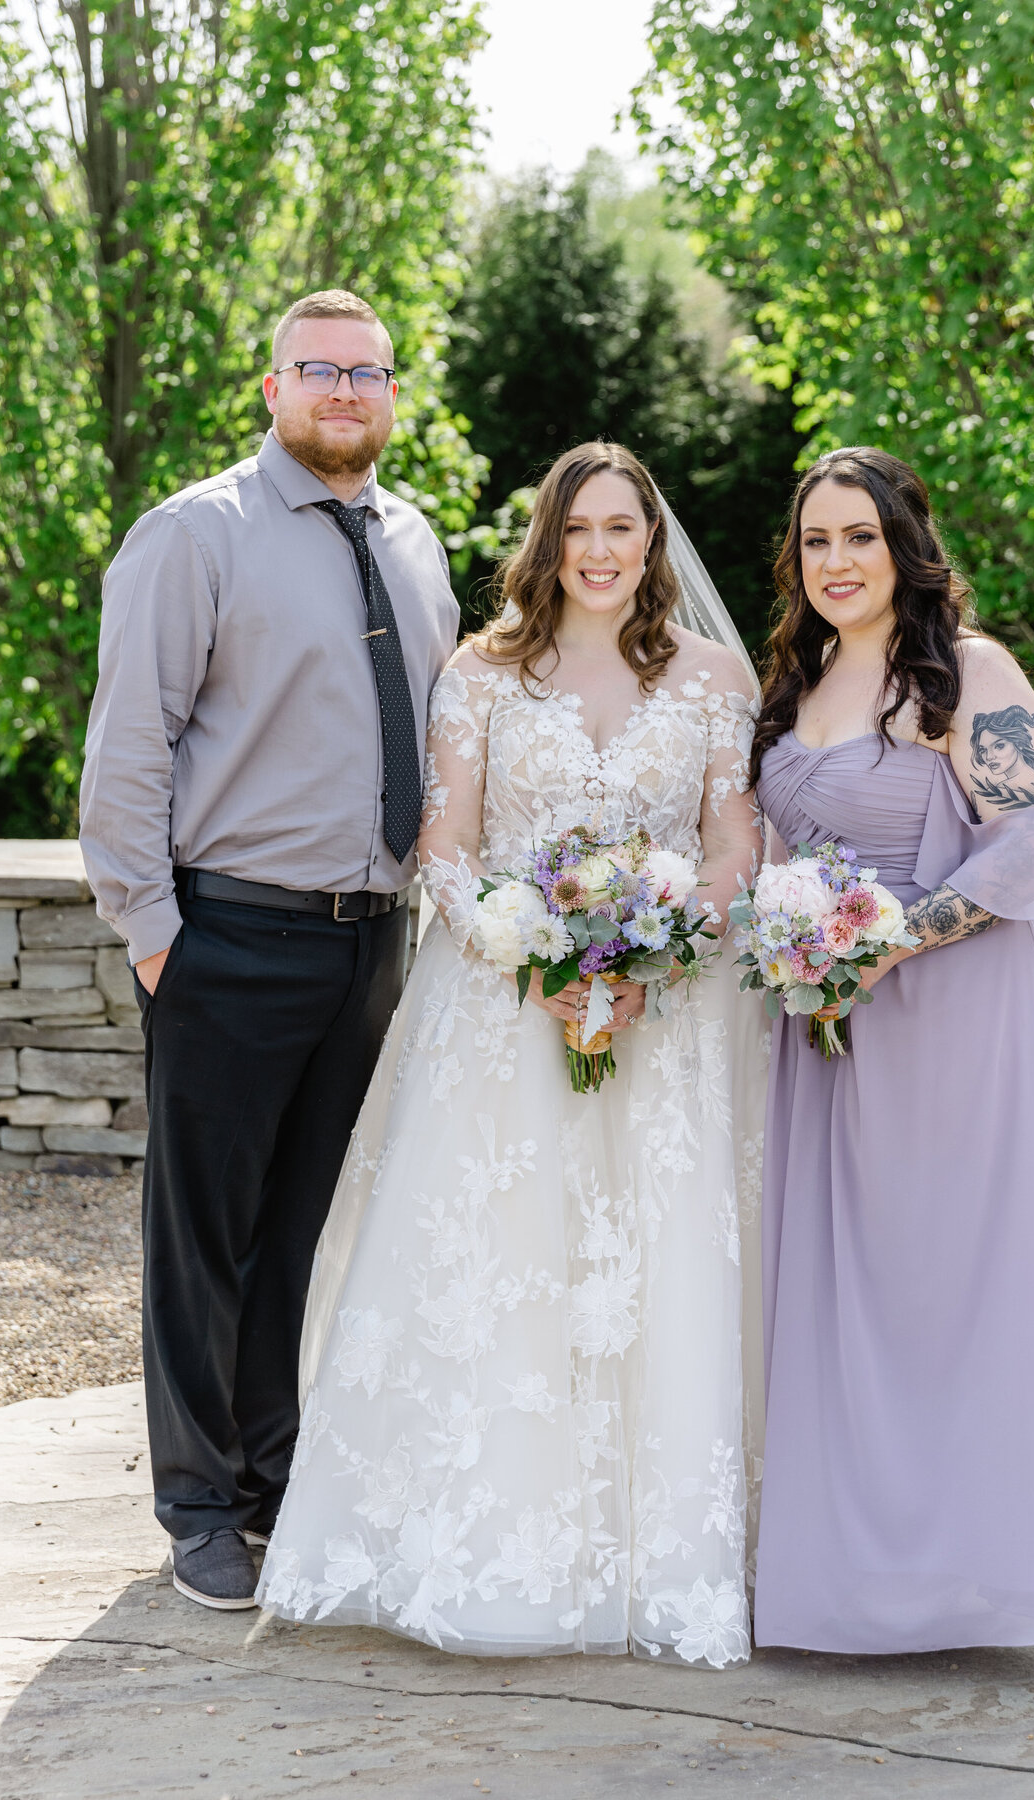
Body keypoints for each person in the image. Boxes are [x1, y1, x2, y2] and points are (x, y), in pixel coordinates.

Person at [256, 442, 769, 1665]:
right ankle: (469, 1548)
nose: (601, 550)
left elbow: (731, 846)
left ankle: (656, 1561)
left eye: (624, 529)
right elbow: (444, 844)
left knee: (650, 1274)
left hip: (661, 1022)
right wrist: (532, 958)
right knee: (506, 1263)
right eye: (579, 527)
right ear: (547, 541)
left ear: (653, 544)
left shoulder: (710, 679)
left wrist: (658, 954)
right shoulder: (480, 674)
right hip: (500, 1016)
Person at [79, 289, 460, 1610]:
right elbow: (129, 742)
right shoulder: (198, 536)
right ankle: (196, 1505)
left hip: (373, 946)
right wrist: (156, 937)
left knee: (306, 1234)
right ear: (272, 387)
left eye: (369, 371)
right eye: (320, 369)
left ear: (394, 392)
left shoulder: (413, 542)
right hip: (229, 935)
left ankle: (277, 1484)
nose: (346, 391)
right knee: (206, 1240)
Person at [751, 446, 1034, 1654]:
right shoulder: (795, 678)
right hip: (827, 1026)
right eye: (816, 542)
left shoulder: (966, 673)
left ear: (906, 543)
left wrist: (892, 941)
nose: (838, 562)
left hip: (952, 1020)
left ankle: (963, 1585)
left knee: (941, 1293)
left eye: (861, 537)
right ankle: (833, 1582)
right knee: (834, 1299)